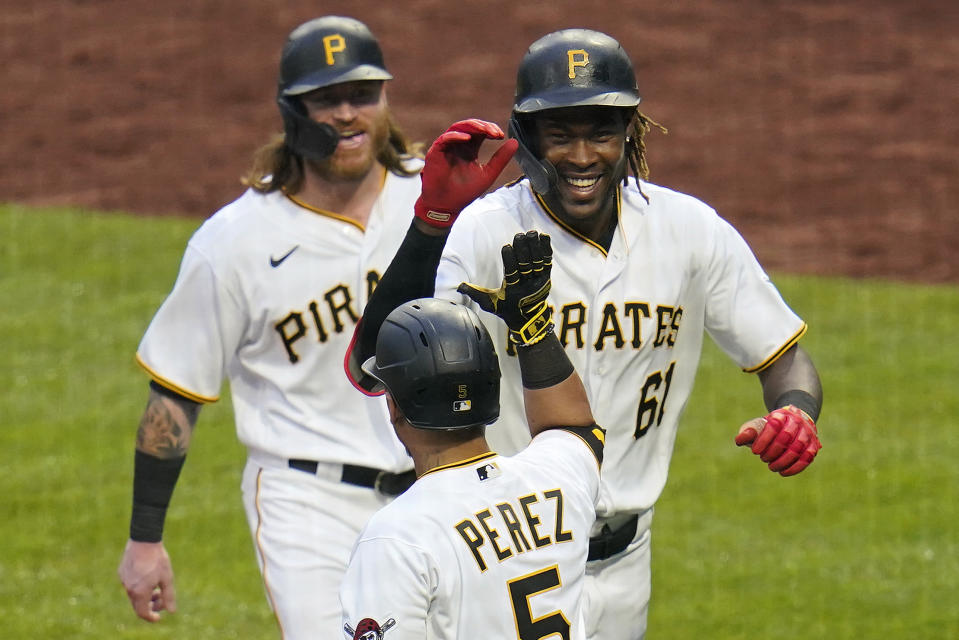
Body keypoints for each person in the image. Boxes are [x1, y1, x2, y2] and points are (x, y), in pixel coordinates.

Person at [347, 28, 823, 640]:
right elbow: (373, 366)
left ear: (630, 132)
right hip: (500, 551)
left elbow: (784, 358)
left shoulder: (689, 230)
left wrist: (795, 409)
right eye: (559, 134)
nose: (580, 157)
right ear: (525, 138)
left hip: (627, 561)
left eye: (600, 132)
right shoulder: (485, 231)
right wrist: (435, 221)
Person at [117, 16, 425, 639]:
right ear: (291, 114)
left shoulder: (435, 202)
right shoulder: (235, 243)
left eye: (363, 96)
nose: (347, 115)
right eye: (326, 100)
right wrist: (144, 540)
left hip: (437, 483)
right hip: (308, 503)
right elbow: (173, 395)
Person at [340, 231, 606, 640]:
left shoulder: (397, 538)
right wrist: (533, 330)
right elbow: (574, 429)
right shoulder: (558, 481)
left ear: (394, 407)